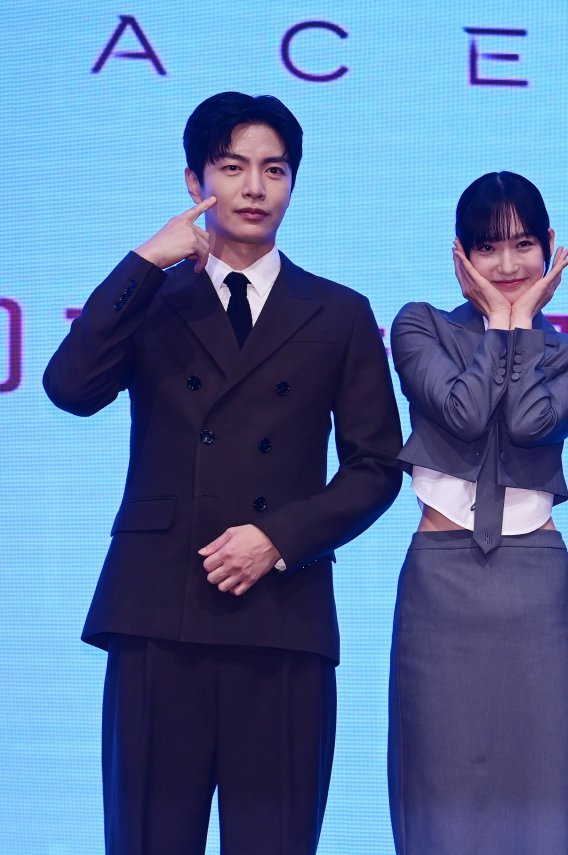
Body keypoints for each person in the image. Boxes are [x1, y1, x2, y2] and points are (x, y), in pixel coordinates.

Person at [42, 91, 404, 854]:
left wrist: (278, 538)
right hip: (157, 608)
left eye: (274, 169)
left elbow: (376, 467)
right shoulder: (152, 297)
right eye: (233, 167)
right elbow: (70, 388)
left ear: (293, 181)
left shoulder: (338, 312)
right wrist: (145, 261)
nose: (254, 187)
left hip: (283, 615)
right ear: (195, 180)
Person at [387, 171, 568, 855]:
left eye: (522, 244)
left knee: (539, 791)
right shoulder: (418, 325)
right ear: (460, 254)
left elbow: (527, 421)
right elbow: (463, 411)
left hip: (535, 586)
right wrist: (500, 326)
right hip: (440, 581)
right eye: (487, 247)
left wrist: (518, 327)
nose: (508, 264)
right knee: (438, 790)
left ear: (549, 246)